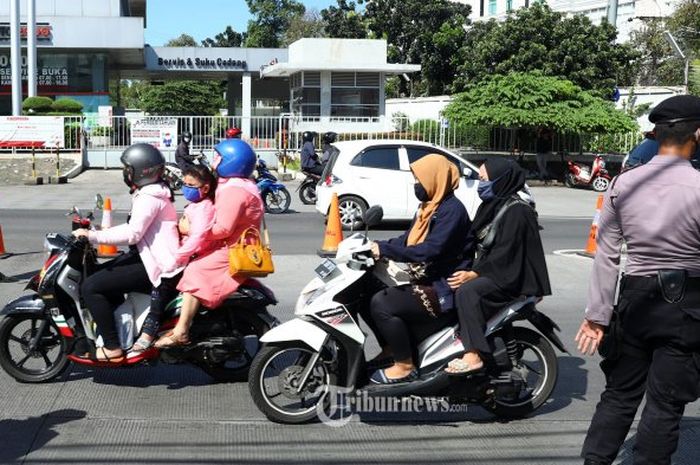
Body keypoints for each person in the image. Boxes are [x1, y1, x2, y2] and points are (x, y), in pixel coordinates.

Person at [577, 95, 700, 465]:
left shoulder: (621, 184)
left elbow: (607, 256)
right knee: (665, 404)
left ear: (656, 134)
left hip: (634, 300)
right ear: (697, 134)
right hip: (687, 306)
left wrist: (597, 316)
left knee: (619, 394)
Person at [366, 154, 474, 384]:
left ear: (435, 178)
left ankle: (404, 365)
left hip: (442, 286)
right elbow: (407, 241)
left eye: (419, 179)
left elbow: (430, 250)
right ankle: (391, 348)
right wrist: (373, 246)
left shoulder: (452, 211)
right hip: (425, 277)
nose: (416, 184)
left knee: (381, 303)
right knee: (366, 289)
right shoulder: (428, 207)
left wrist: (384, 250)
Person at [74, 144, 181, 363]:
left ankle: (112, 347)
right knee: (97, 276)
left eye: (128, 169)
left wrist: (92, 236)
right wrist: (99, 233)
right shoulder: (153, 191)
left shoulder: (150, 197)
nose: (125, 173)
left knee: (91, 287)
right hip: (147, 256)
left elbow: (133, 233)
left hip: (156, 264)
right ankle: (121, 329)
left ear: (142, 171)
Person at [445, 158, 551, 375]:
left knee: (468, 292)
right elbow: (472, 238)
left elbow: (506, 254)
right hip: (494, 270)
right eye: (479, 179)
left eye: (484, 179)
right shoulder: (491, 205)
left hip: (511, 277)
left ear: (501, 179)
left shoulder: (518, 211)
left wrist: (474, 274)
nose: (480, 184)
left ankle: (474, 354)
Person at [155, 138, 264, 348]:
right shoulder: (238, 184)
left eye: (219, 157)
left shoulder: (235, 190)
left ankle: (181, 330)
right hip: (232, 244)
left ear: (232, 161)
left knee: (195, 270)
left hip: (234, 249)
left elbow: (223, 229)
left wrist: (190, 229)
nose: (214, 161)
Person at [130, 164, 218, 354]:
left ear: (205, 188)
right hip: (185, 254)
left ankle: (149, 332)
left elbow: (197, 237)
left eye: (191, 185)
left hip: (192, 258)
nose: (186, 188)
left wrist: (177, 258)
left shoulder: (204, 208)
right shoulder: (195, 205)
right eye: (184, 184)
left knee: (162, 284)